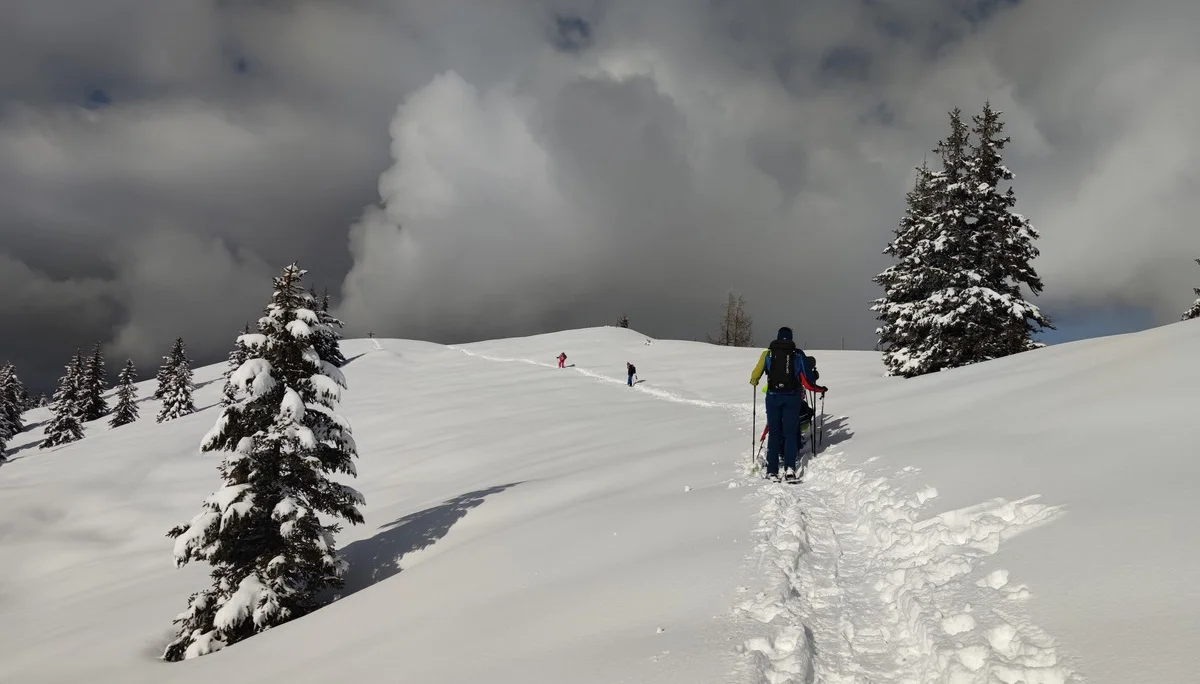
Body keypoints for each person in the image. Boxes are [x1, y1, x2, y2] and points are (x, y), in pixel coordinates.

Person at [749, 327, 827, 482]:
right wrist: (819, 387)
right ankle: (790, 469)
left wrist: (755, 380)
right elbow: (808, 380)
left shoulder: (768, 354)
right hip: (792, 398)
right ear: (791, 338)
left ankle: (772, 471)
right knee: (790, 433)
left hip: (772, 398)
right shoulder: (797, 354)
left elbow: (754, 376)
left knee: (775, 432)